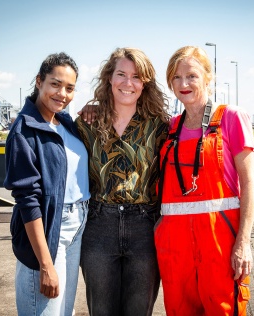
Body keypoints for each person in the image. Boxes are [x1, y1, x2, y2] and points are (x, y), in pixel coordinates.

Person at [154, 46, 254, 315]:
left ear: (208, 78)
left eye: (191, 76)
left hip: (219, 247)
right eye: (176, 77)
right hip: (175, 252)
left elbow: (249, 184)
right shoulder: (169, 128)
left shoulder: (231, 118)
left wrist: (243, 243)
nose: (183, 83)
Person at [75, 47, 170, 315]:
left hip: (145, 228)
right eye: (121, 74)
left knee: (139, 310)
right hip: (99, 227)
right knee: (101, 311)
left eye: (136, 77)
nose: (128, 83)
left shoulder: (160, 125)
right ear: (109, 78)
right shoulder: (86, 123)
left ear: (145, 84)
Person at [4, 52, 90, 316]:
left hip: (78, 225)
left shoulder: (64, 122)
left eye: (70, 88)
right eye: (55, 84)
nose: (62, 93)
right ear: (39, 81)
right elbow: (28, 200)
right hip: (51, 227)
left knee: (64, 311)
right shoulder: (23, 131)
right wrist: (45, 264)